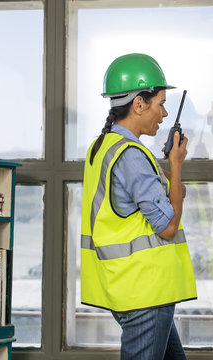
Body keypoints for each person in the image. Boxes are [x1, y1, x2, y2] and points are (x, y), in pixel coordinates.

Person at [80, 53, 197, 360]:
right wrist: (175, 163)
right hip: (146, 291)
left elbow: (163, 195)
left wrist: (170, 174)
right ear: (139, 104)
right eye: (160, 103)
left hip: (130, 287)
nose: (164, 112)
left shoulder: (103, 146)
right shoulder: (132, 155)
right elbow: (168, 227)